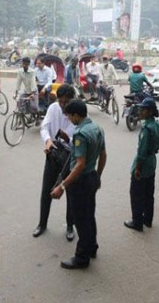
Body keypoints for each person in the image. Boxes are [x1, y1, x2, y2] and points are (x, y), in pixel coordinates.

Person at [51, 99, 107, 269]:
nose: (68, 119)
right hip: (91, 177)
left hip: (80, 181)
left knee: (80, 219)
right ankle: (92, 247)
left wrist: (62, 186)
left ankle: (82, 257)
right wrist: (98, 176)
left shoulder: (80, 134)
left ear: (76, 115)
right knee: (89, 214)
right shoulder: (97, 128)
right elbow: (103, 155)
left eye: (69, 116)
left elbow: (79, 164)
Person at [33, 85, 76, 241]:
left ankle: (70, 226)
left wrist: (67, 139)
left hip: (70, 158)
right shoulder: (53, 108)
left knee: (70, 193)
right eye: (61, 102)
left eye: (67, 102)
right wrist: (48, 140)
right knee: (46, 191)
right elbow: (44, 127)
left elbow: (80, 141)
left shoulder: (77, 112)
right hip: (53, 154)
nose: (63, 105)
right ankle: (42, 224)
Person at [124, 98, 159, 231]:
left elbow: (141, 152)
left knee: (136, 194)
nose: (140, 111)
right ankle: (148, 219)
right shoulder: (158, 126)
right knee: (148, 193)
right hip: (152, 162)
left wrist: (137, 168)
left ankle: (137, 222)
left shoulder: (146, 129)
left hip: (144, 163)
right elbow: (157, 146)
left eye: (143, 109)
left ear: (150, 111)